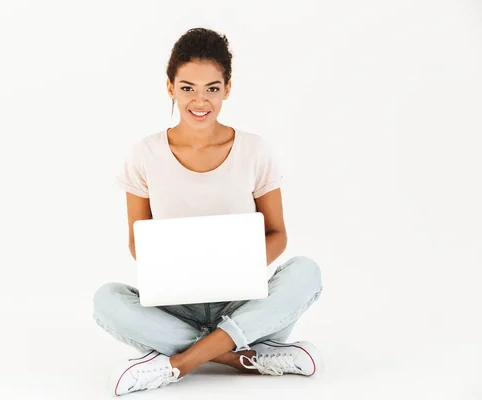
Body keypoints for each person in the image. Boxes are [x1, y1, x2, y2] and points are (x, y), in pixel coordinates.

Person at [92, 27, 323, 396]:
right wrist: (181, 265)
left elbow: (278, 234)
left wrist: (235, 267)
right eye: (187, 88)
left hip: (243, 301)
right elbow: (139, 244)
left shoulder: (254, 150)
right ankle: (241, 355)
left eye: (212, 88)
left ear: (227, 89)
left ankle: (179, 362)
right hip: (175, 305)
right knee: (107, 301)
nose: (200, 101)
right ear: (170, 87)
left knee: (306, 272)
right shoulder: (144, 154)